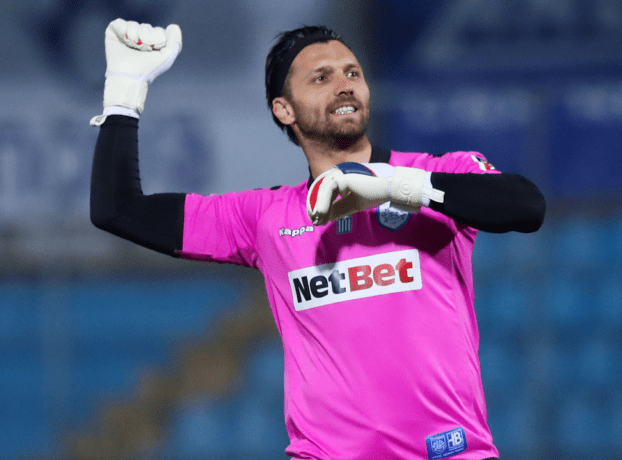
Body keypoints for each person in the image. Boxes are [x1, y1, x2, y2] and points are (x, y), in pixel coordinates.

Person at [89, 18, 545, 460]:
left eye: (353, 73)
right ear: (284, 109)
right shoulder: (265, 217)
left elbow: (527, 206)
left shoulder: (433, 174)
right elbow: (118, 210)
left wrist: (395, 185)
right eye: (321, 78)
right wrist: (124, 93)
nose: (344, 85)